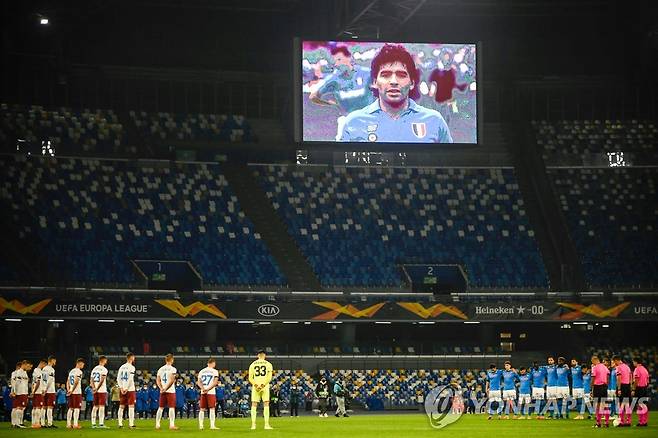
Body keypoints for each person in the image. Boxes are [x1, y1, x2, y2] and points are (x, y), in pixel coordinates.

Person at [339, 43, 452, 143]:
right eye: (385, 75)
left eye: (401, 75)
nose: (393, 81)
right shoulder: (354, 122)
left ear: (412, 83)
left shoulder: (434, 121)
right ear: (374, 82)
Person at [308, 45, 374, 141]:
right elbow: (313, 97)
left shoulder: (367, 73)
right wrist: (330, 104)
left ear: (349, 58)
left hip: (369, 120)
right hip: (346, 121)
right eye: (335, 61)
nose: (337, 64)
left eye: (339, 59)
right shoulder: (334, 79)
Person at [248, 349, 274, 430]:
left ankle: (253, 425)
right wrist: (262, 385)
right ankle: (266, 425)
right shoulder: (268, 364)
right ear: (265, 355)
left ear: (257, 355)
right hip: (264, 386)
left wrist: (256, 385)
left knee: (254, 404)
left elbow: (250, 378)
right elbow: (269, 378)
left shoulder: (252, 364)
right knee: (266, 404)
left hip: (255, 386)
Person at [155, 353, 178, 430]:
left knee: (160, 407)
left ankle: (157, 424)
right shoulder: (173, 369)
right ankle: (171, 425)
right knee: (171, 407)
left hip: (162, 391)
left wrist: (161, 388)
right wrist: (166, 388)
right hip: (170, 390)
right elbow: (172, 380)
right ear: (172, 360)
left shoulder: (160, 369)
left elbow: (158, 380)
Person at [197, 357, 219, 430]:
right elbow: (215, 382)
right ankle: (212, 426)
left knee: (202, 409)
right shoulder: (215, 371)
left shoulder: (202, 371)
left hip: (203, 392)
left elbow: (199, 382)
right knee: (212, 408)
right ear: (213, 363)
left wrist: (203, 389)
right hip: (211, 392)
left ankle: (201, 425)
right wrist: (208, 389)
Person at [117, 352, 137, 428]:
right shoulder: (132, 367)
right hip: (130, 389)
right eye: (133, 357)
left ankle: (120, 423)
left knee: (121, 406)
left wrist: (121, 388)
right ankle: (131, 424)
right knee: (131, 406)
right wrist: (126, 388)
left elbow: (118, 378)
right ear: (131, 358)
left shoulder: (121, 367)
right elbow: (130, 379)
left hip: (122, 389)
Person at [89, 355, 109, 428]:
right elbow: (102, 380)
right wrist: (97, 388)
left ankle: (93, 423)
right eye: (105, 360)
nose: (106, 362)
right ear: (103, 361)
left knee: (95, 406)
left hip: (95, 390)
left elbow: (91, 380)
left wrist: (94, 388)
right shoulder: (104, 369)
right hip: (102, 390)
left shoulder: (94, 369)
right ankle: (101, 423)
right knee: (101, 407)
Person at [591, 355, 610, 428]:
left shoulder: (594, 368)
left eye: (592, 362)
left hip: (597, 387)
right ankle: (607, 422)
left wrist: (591, 389)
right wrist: (606, 385)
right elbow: (608, 376)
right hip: (604, 387)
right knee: (605, 404)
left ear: (594, 360)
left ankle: (598, 423)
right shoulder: (605, 367)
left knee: (597, 405)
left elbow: (593, 378)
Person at [66, 357, 85, 429]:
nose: (83, 365)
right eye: (83, 364)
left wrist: (69, 390)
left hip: (71, 392)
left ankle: (68, 424)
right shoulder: (79, 371)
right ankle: (75, 424)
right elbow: (76, 381)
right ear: (79, 363)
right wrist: (72, 390)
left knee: (70, 408)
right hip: (76, 392)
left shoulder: (71, 371)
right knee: (77, 408)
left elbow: (67, 381)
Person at [613, 355, 632, 427]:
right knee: (627, 404)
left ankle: (621, 421)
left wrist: (619, 389)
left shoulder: (618, 367)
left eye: (614, 362)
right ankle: (628, 421)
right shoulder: (627, 366)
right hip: (627, 386)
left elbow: (619, 378)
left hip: (622, 386)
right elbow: (631, 376)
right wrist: (630, 386)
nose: (614, 363)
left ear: (616, 360)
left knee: (621, 404)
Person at [10, 361, 29, 428]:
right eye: (27, 366)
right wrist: (13, 391)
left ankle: (19, 422)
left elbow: (25, 383)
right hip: (19, 392)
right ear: (22, 365)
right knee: (17, 407)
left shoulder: (24, 373)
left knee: (21, 407)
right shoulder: (16, 373)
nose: (27, 367)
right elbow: (14, 383)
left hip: (24, 392)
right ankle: (16, 423)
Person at [632, 357, 649, 427]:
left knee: (639, 405)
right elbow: (648, 381)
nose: (633, 363)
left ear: (636, 362)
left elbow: (636, 380)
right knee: (644, 405)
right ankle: (644, 421)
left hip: (639, 388)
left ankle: (641, 421)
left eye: (633, 362)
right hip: (644, 388)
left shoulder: (637, 369)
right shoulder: (645, 369)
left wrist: (633, 389)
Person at [42, 356, 57, 428]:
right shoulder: (51, 369)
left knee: (44, 407)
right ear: (52, 360)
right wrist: (46, 389)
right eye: (55, 361)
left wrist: (43, 389)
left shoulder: (44, 369)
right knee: (50, 407)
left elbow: (43, 380)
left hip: (44, 389)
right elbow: (50, 380)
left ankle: (42, 423)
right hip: (50, 390)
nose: (55, 362)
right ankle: (50, 423)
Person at [30, 358, 46, 428]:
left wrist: (32, 391)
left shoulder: (34, 371)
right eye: (44, 365)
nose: (44, 367)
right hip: (38, 391)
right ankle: (37, 423)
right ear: (42, 363)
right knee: (38, 407)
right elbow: (38, 382)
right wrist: (35, 391)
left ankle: (33, 423)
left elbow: (33, 382)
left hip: (35, 391)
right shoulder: (39, 371)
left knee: (34, 407)